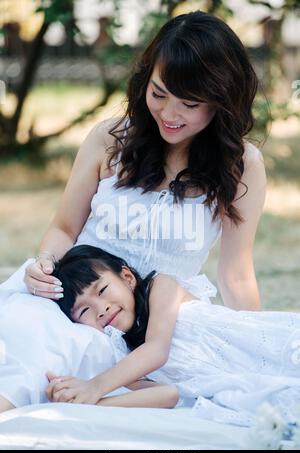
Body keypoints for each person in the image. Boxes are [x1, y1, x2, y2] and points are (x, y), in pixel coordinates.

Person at [0, 10, 267, 413]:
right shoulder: (109, 140)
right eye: (159, 93)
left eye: (189, 103)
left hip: (159, 327)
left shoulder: (241, 165)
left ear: (220, 103)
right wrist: (45, 263)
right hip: (77, 305)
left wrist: (255, 348)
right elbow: (64, 227)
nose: (169, 114)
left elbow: (236, 273)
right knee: (31, 349)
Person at [47, 245, 300, 426]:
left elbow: (157, 350)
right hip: (247, 384)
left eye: (102, 290)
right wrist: (86, 402)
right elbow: (170, 395)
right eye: (83, 310)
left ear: (127, 277)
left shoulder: (161, 287)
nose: (100, 309)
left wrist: (94, 386)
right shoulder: (125, 359)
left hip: (273, 346)